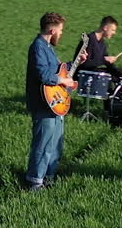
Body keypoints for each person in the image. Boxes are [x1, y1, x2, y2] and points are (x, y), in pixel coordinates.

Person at [25, 12, 85, 191]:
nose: (61, 34)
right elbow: (44, 75)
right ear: (52, 30)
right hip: (43, 104)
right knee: (43, 143)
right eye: (61, 31)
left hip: (55, 103)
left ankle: (49, 177)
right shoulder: (38, 47)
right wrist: (63, 81)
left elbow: (58, 70)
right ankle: (35, 181)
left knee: (55, 143)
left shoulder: (48, 48)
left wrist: (77, 61)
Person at [75, 16, 122, 82]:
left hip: (94, 74)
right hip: (84, 76)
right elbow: (84, 63)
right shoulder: (89, 39)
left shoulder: (102, 43)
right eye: (113, 30)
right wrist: (104, 60)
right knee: (108, 77)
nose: (114, 33)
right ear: (105, 28)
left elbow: (107, 63)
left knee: (118, 76)